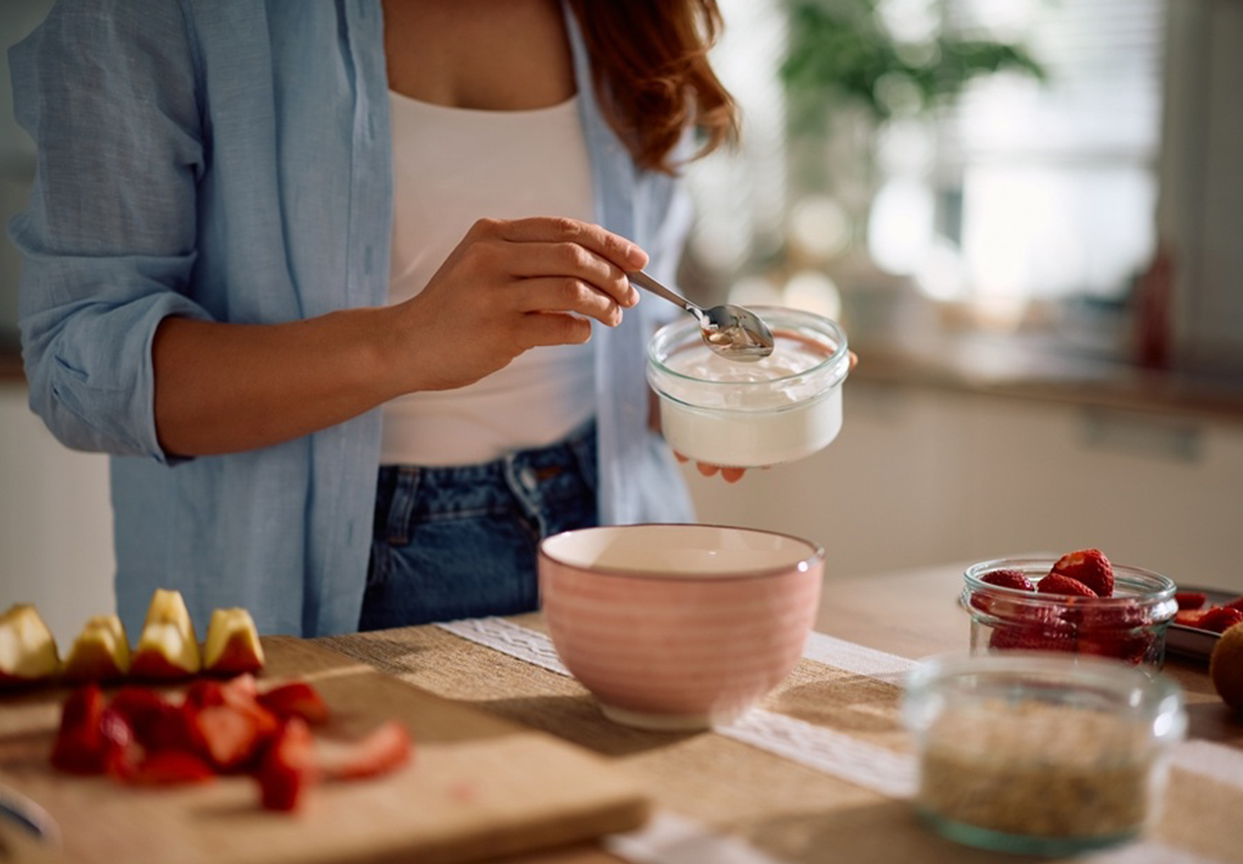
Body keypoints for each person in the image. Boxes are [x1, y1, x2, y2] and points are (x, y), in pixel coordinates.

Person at [9, 0, 739, 638]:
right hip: (315, 599)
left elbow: (632, 331)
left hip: (617, 549)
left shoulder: (635, 12)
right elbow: (81, 364)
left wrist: (703, 392)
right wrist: (405, 343)